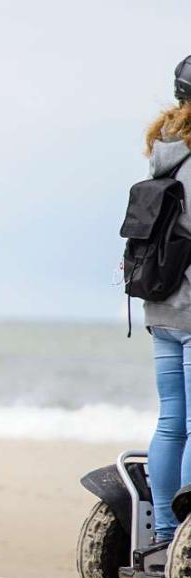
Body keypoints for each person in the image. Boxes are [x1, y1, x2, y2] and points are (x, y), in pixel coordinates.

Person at [143, 55, 191, 544]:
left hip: (162, 305)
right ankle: (188, 534)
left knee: (172, 420)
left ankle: (162, 531)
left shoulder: (166, 151)